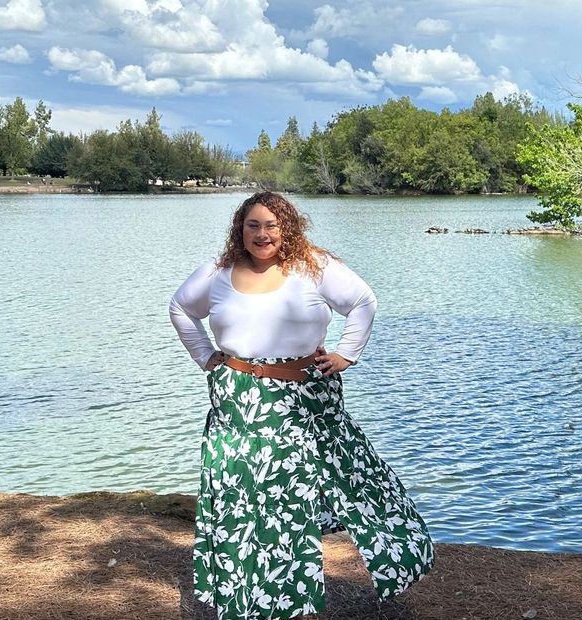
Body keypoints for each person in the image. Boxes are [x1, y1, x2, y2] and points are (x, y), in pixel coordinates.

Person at [169, 191, 434, 619]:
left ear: (287, 227)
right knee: (244, 495)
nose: (262, 234)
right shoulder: (217, 273)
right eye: (253, 225)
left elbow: (363, 303)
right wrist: (205, 355)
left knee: (316, 486)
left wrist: (348, 353)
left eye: (271, 225)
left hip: (306, 399)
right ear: (240, 229)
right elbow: (181, 307)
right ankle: (248, 590)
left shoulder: (315, 267)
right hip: (237, 401)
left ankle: (355, 568)